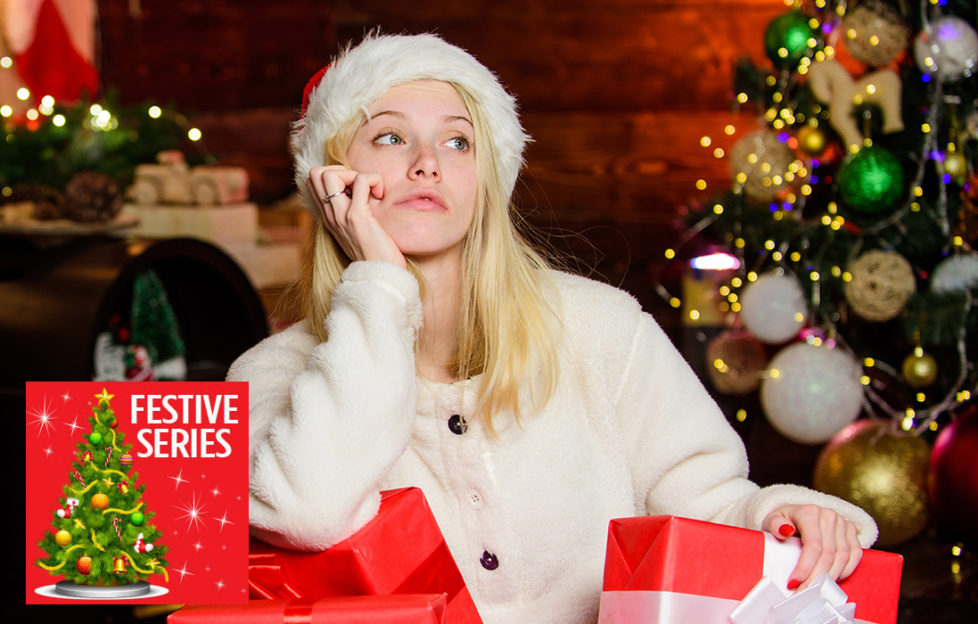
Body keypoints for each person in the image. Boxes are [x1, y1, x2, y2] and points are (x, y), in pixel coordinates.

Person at [229, 32, 878, 624]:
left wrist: (777, 517)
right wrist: (377, 282)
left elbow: (702, 502)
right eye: (391, 137)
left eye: (458, 141)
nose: (428, 162)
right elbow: (303, 511)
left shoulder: (602, 330)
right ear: (331, 179)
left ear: (486, 180)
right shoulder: (269, 373)